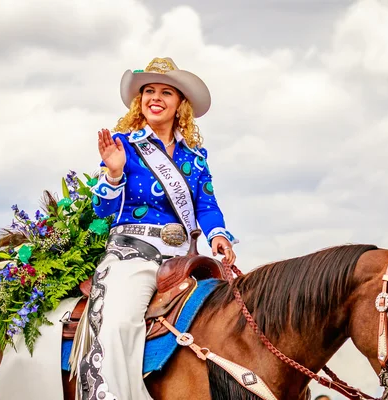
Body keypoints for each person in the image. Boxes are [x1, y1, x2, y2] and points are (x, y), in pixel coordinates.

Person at [76, 57, 237, 400]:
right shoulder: (124, 146)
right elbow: (102, 211)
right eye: (149, 91)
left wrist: (219, 235)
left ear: (180, 104)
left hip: (183, 259)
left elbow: (205, 206)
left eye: (166, 92)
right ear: (140, 100)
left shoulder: (195, 157)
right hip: (133, 254)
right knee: (118, 323)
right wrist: (115, 173)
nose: (156, 97)